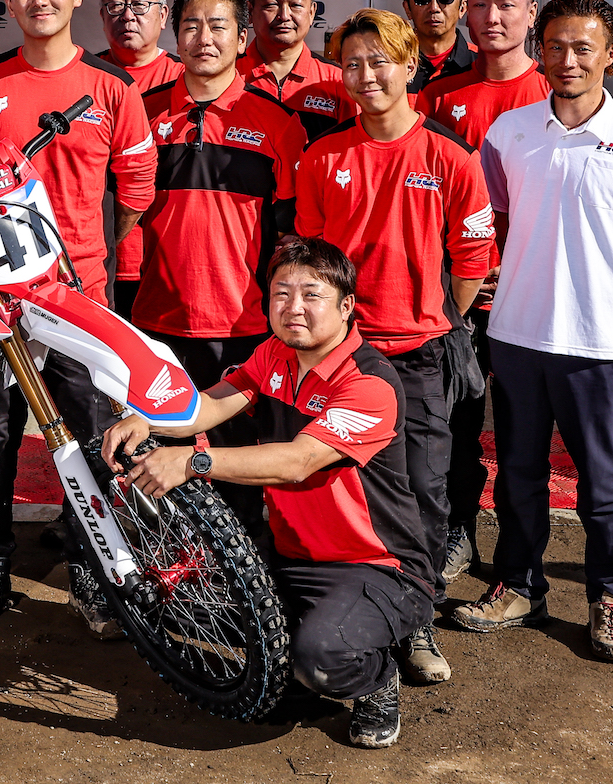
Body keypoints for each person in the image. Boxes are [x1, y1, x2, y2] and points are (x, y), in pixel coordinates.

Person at [102, 238, 435, 751]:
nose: (293, 307)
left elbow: (298, 462)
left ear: (346, 306)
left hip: (377, 566)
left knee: (319, 658)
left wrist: (191, 461)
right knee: (206, 612)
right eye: (281, 293)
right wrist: (149, 419)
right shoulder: (276, 352)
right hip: (292, 555)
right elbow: (210, 405)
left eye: (311, 294)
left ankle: (378, 677)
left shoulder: (370, 383)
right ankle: (328, 641)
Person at [452, 0, 613, 663]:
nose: (567, 60)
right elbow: (489, 220)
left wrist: (610, 305)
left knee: (603, 485)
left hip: (601, 349)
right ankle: (519, 585)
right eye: (554, 46)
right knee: (517, 476)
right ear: (541, 49)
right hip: (519, 338)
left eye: (583, 47)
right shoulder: (511, 132)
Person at [0, 0, 155, 636]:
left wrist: (87, 255)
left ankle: (90, 561)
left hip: (81, 293)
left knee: (92, 435)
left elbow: (134, 191)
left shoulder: (112, 87)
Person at [295, 7, 491, 687]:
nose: (366, 74)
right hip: (341, 357)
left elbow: (471, 260)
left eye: (381, 60)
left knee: (423, 492)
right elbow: (314, 262)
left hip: (421, 354)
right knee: (344, 488)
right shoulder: (323, 156)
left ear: (411, 66)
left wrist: (435, 321)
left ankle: (417, 619)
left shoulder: (451, 155)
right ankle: (348, 612)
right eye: (352, 62)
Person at [134, 0, 305, 530]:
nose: (204, 38)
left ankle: (246, 579)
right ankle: (162, 578)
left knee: (239, 463)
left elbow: (290, 234)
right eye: (190, 26)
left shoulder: (278, 123)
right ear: (174, 36)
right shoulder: (142, 111)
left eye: (218, 26)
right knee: (148, 463)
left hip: (244, 323)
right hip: (155, 320)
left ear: (240, 37)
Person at [416, 0, 548, 585]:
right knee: (456, 427)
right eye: (480, 4)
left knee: (524, 438)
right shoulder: (434, 98)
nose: (492, 17)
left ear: (531, 14)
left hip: (531, 301)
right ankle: (457, 533)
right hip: (458, 298)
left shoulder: (558, 95)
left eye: (506, 4)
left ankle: (520, 566)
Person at [94, 0, 185, 317]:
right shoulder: (87, 75)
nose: (127, 15)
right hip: (99, 264)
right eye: (116, 4)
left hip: (164, 264)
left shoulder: (185, 80)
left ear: (163, 15)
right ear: (101, 15)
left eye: (140, 4)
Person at [242, 0, 351, 143]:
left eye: (295, 5)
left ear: (312, 12)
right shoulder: (227, 74)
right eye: (271, 4)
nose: (284, 16)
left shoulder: (337, 81)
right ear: (250, 11)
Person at [399, 0, 476, 94]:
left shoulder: (482, 64)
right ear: (407, 8)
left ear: (463, 8)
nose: (434, 8)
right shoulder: (390, 64)